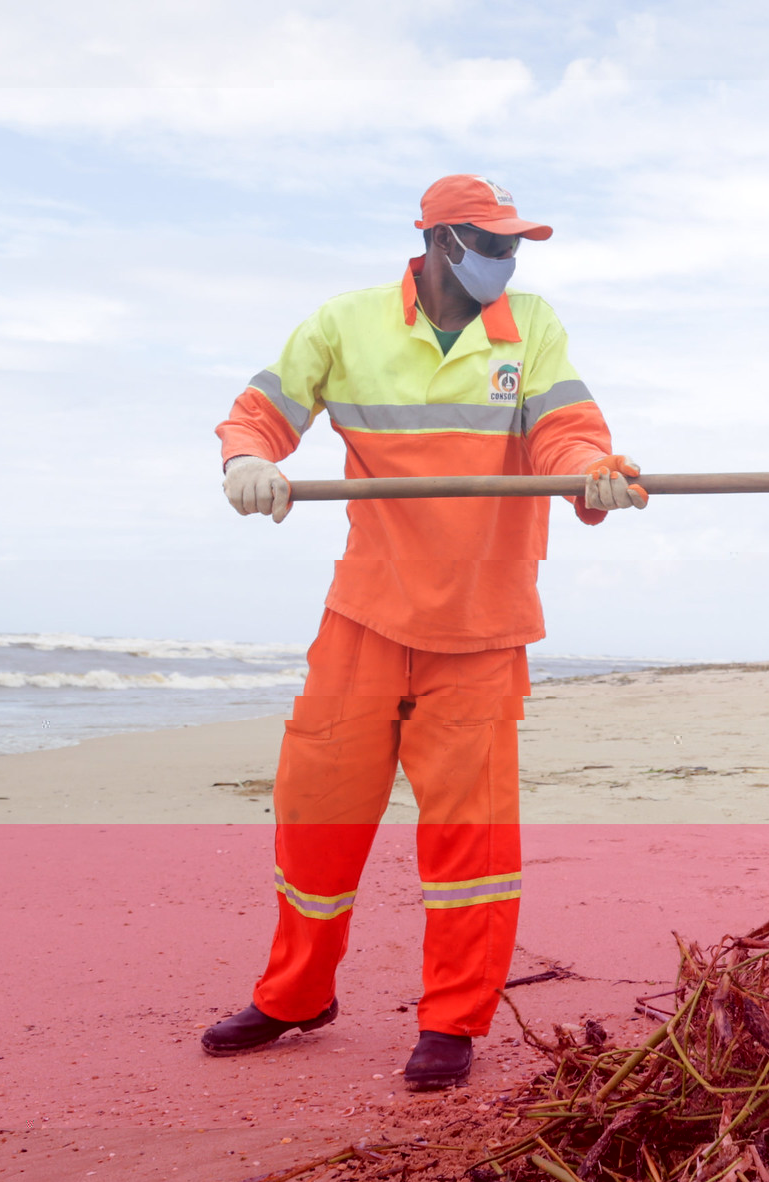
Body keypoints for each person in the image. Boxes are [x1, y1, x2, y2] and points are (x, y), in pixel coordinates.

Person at [200, 175, 647, 1091]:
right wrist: (248, 460)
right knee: (315, 817)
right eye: (492, 245)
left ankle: (451, 1021)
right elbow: (260, 412)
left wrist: (594, 472)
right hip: (367, 611)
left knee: (470, 846)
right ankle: (295, 994)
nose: (507, 262)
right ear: (442, 243)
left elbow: (567, 429)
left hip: (482, 626)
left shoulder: (531, 327)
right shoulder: (346, 324)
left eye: (514, 246)